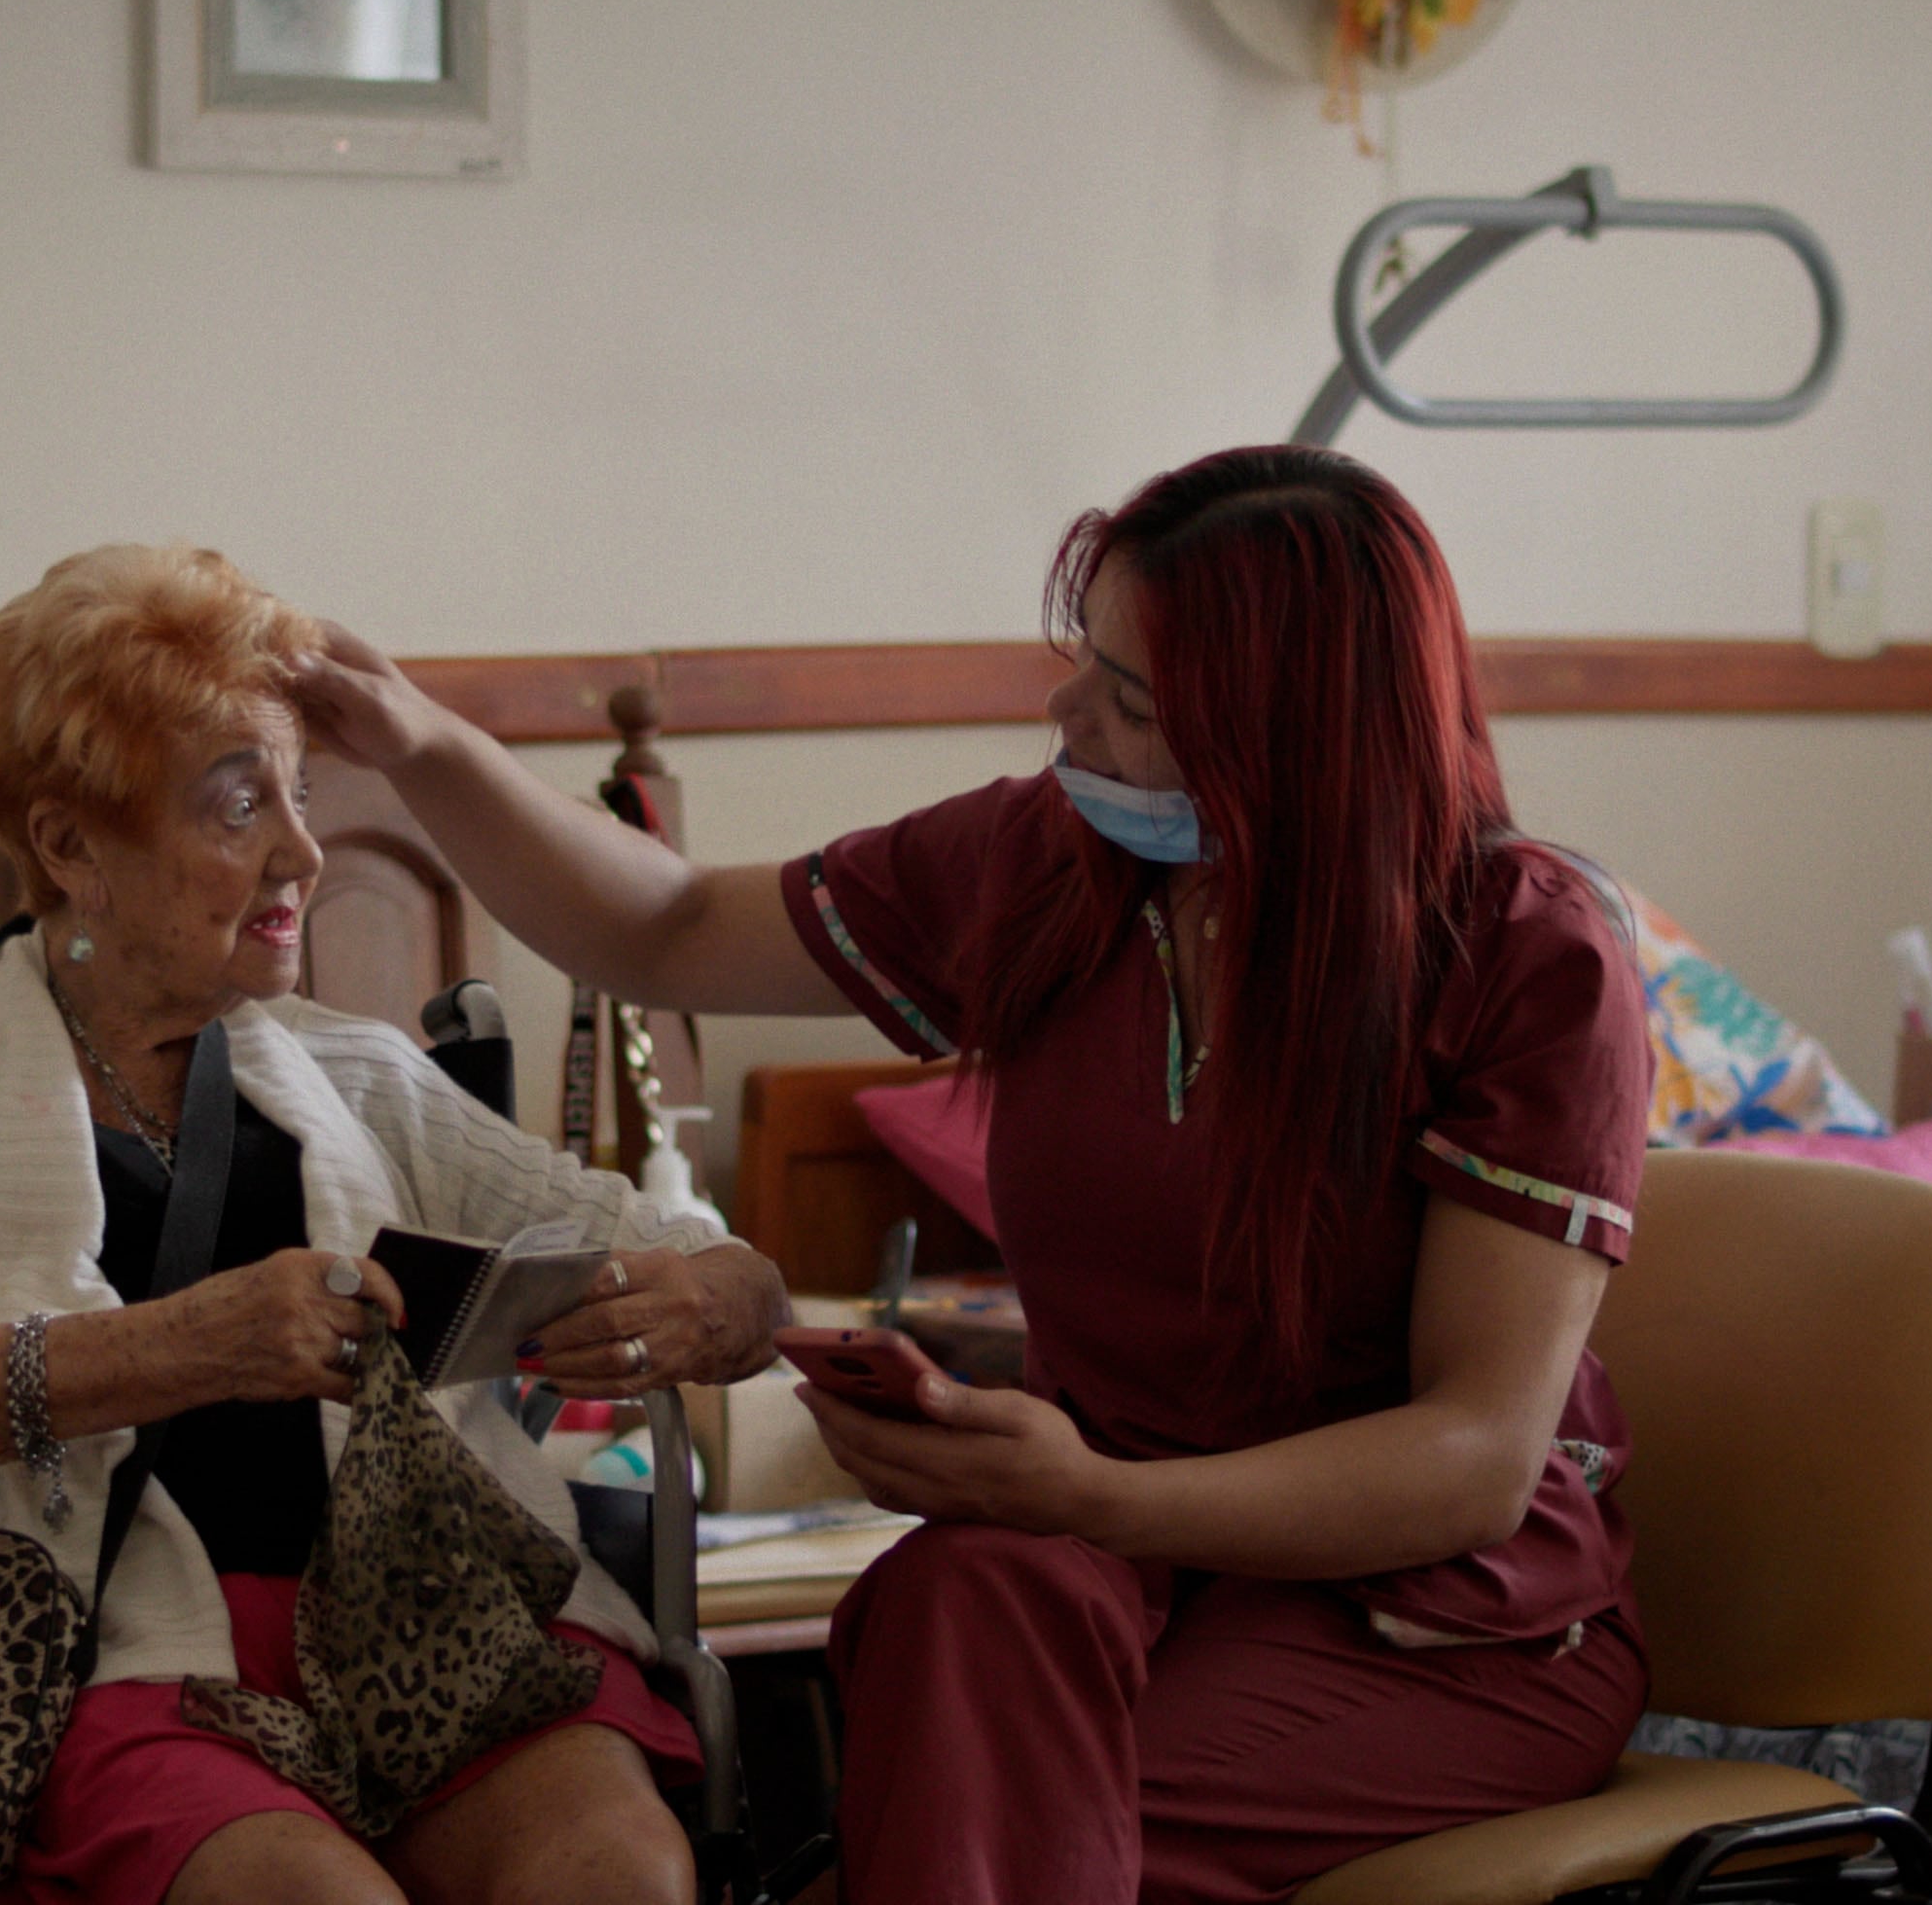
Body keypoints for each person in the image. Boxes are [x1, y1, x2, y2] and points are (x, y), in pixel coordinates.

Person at [296, 446, 1655, 1902]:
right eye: (1085, 664)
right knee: (956, 1596)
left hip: (1432, 1624)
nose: (1067, 714)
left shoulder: (1524, 953)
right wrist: (419, 743)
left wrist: (1095, 1497)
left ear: (1291, 739)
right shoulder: (1057, 864)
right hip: (1114, 1558)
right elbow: (673, 927)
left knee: (966, 1837)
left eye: (1129, 700)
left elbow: (1470, 1465)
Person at [0, 544, 792, 1905]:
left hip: (418, 1628)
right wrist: (186, 1347)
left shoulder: (352, 1071)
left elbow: (683, 1245)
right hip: (113, 1658)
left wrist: (720, 1300)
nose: (304, 850)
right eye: (240, 807)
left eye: (299, 792)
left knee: (619, 1875)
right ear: (68, 845)